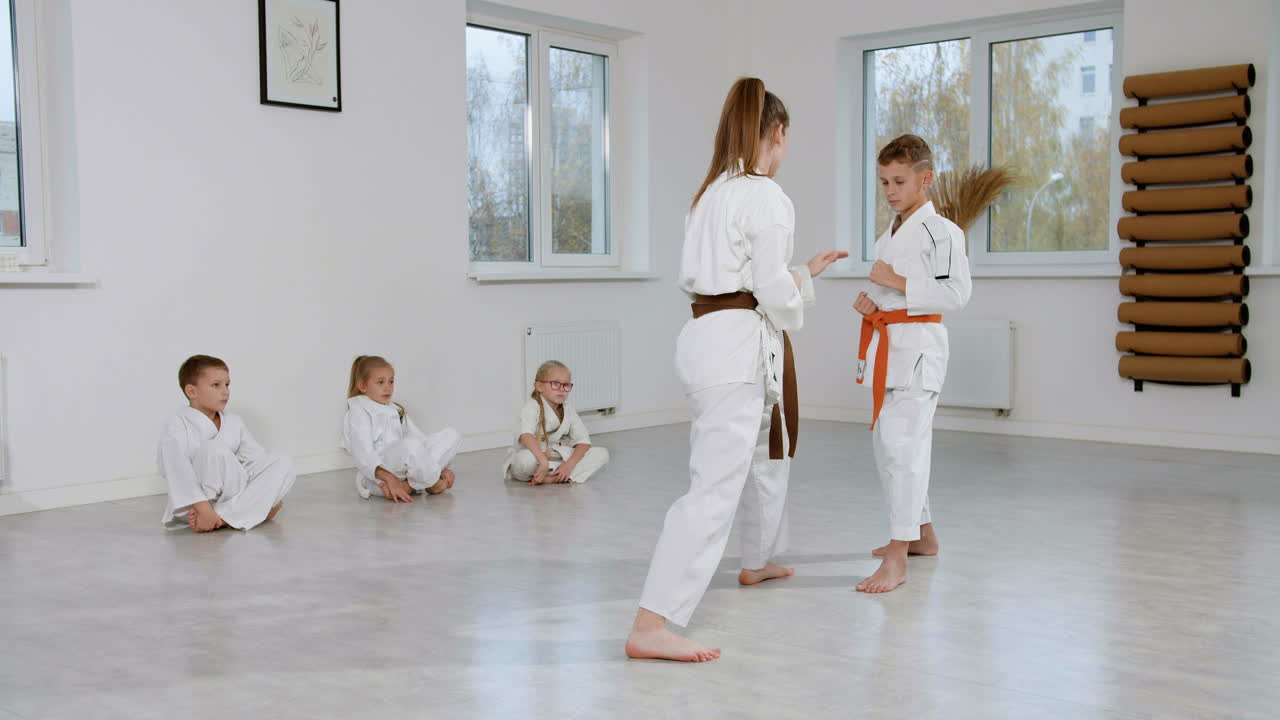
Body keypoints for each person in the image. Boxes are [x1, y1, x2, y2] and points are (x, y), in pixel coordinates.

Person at [625, 77, 847, 662]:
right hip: (734, 348)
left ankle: (758, 559)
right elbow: (769, 290)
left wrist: (804, 275)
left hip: (705, 339)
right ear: (777, 133)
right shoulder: (766, 194)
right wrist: (795, 290)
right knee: (712, 493)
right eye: (788, 138)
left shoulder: (710, 192)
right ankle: (651, 624)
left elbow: (741, 278)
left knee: (753, 461)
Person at [852, 134, 972, 593]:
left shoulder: (941, 232)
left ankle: (898, 556)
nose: (890, 190)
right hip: (892, 345)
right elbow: (898, 291)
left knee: (904, 450)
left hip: (919, 352)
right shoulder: (895, 230)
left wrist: (894, 281)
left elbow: (956, 294)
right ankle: (922, 536)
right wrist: (874, 304)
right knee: (890, 447)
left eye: (899, 181)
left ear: (926, 179)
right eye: (884, 182)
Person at [158, 355, 295, 531]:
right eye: (216, 385)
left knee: (282, 461)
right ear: (192, 391)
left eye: (227, 385)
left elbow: (256, 461)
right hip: (195, 506)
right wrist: (203, 509)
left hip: (231, 497)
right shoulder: (177, 424)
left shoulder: (234, 421)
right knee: (212, 448)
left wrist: (272, 487)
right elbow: (177, 470)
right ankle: (246, 512)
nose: (225, 391)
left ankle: (222, 518)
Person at [341, 355, 461, 502]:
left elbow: (419, 440)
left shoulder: (395, 409)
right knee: (411, 445)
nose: (388, 387)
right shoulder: (358, 410)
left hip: (404, 468)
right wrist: (389, 477)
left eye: (391, 381)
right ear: (362, 385)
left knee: (451, 435)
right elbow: (363, 454)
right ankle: (429, 482)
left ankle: (410, 485)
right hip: (379, 476)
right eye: (380, 382)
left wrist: (433, 465)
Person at [503, 360, 610, 485]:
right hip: (535, 457)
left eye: (566, 385)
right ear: (539, 386)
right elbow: (526, 435)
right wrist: (543, 461)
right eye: (555, 384)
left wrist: (569, 465)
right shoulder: (531, 407)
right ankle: (555, 475)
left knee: (602, 454)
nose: (562, 389)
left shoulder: (568, 409)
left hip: (556, 458)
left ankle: (554, 476)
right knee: (525, 461)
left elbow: (583, 442)